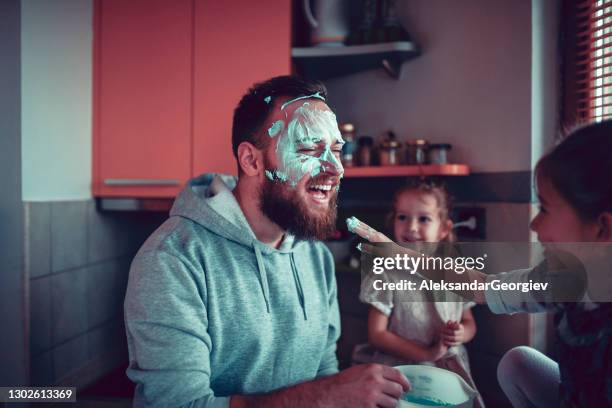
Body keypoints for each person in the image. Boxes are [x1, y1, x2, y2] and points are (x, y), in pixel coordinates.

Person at [124, 75, 410, 408]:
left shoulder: (315, 254)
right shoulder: (173, 258)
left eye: (335, 151)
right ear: (251, 160)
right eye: (308, 148)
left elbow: (323, 371)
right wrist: (325, 396)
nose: (335, 170)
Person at [350, 120, 612, 407]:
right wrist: (398, 254)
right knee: (517, 361)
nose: (534, 224)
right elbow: (482, 287)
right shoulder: (561, 277)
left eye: (545, 209)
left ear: (602, 228)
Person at [356, 182, 485, 408]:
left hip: (446, 371)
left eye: (424, 219)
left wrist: (460, 334)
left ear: (444, 229)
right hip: (400, 371)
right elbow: (377, 333)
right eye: (402, 217)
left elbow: (469, 323)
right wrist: (425, 352)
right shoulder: (386, 272)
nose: (411, 227)